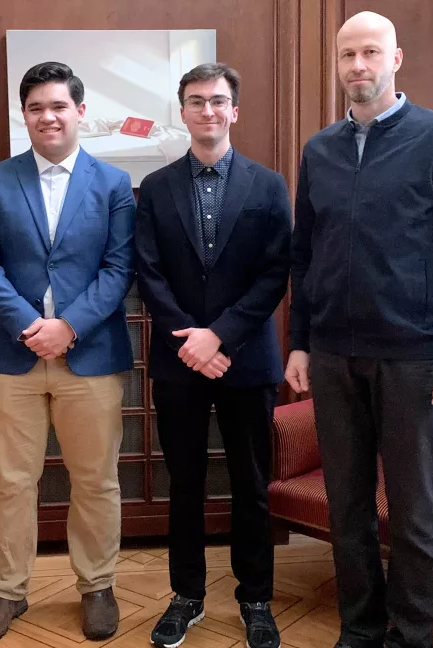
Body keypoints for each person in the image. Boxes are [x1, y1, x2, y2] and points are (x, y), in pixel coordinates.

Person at [285, 11, 433, 648]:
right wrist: (299, 341)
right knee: (346, 509)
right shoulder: (318, 150)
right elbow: (305, 255)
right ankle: (360, 628)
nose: (358, 66)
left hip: (415, 358)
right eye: (347, 55)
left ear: (396, 58)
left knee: (411, 513)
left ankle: (412, 633)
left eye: (370, 53)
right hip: (331, 356)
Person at [0, 61, 135, 644]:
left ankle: (98, 586)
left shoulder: (112, 184)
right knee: (11, 482)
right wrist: (32, 325)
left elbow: (119, 268)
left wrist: (70, 326)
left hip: (89, 355)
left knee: (96, 479)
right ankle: (8, 590)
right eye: (36, 108)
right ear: (25, 116)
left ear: (80, 112)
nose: (48, 117)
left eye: (58, 106)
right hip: (11, 356)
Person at [134, 63, 290, 648]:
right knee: (186, 482)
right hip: (179, 362)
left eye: (218, 101)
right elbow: (147, 274)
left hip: (247, 360)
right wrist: (192, 341)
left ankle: (256, 600)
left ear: (235, 111)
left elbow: (275, 272)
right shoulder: (155, 187)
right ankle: (188, 596)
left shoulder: (269, 185)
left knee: (251, 483)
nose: (207, 110)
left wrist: (219, 336)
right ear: (183, 111)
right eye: (196, 101)